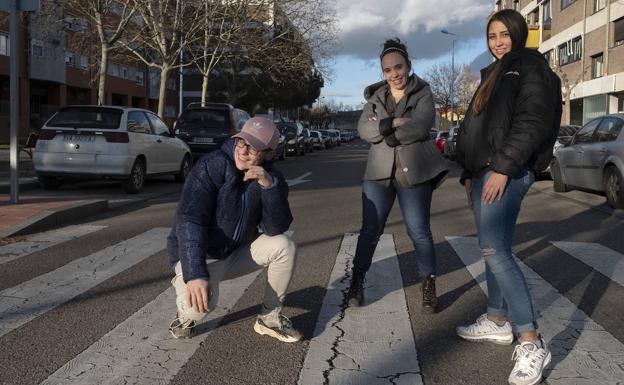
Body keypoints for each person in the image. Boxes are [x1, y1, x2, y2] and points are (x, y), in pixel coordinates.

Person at [454, 9, 562, 385]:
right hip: (485, 172)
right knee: (491, 245)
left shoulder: (530, 67)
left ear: (518, 33)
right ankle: (497, 319)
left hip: (508, 171)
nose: (497, 41)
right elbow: (474, 129)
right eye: (491, 36)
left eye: (504, 34)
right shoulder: (493, 74)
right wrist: (469, 173)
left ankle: (531, 339)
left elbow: (532, 122)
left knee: (495, 251)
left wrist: (502, 168)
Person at [167, 117, 302, 343]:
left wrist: (268, 187)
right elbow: (190, 219)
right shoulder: (212, 166)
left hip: (235, 253)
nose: (244, 151)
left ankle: (269, 318)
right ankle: (183, 315)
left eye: (253, 147)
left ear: (269, 153)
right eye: (241, 142)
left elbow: (275, 228)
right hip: (202, 257)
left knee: (284, 245)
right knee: (200, 307)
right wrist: (195, 274)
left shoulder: (272, 178)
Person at [348, 38, 449, 312]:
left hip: (413, 174)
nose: (395, 74)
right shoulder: (375, 98)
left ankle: (428, 283)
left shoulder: (423, 93)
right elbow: (362, 131)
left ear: (408, 65)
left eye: (399, 67)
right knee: (370, 231)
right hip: (377, 175)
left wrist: (384, 134)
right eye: (388, 70)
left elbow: (419, 127)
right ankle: (357, 281)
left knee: (419, 232)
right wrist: (391, 123)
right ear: (383, 73)